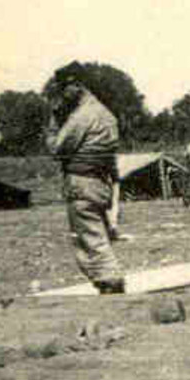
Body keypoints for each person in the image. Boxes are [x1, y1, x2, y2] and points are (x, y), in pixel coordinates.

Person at [49, 80, 126, 294]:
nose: (63, 96)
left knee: (90, 240)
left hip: (82, 182)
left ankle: (110, 281)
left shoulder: (82, 116)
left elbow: (57, 149)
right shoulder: (107, 114)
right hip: (101, 182)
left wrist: (54, 123)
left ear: (76, 86)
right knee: (96, 236)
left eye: (64, 90)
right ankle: (108, 280)